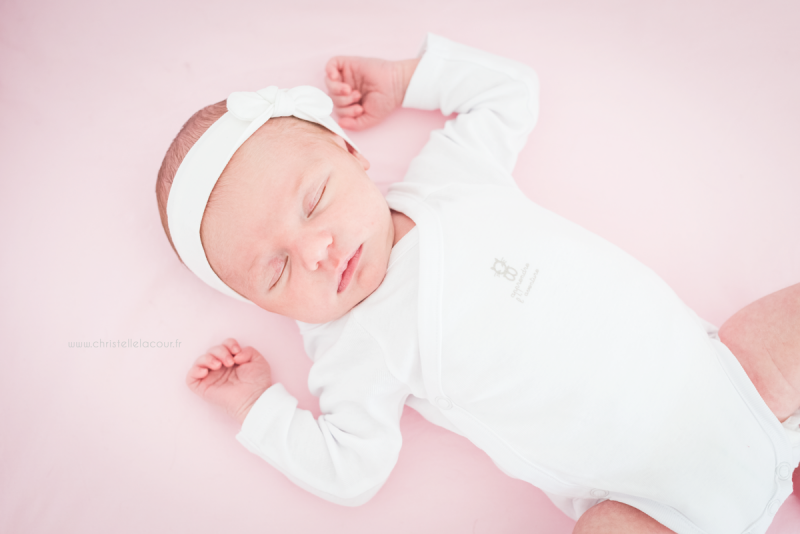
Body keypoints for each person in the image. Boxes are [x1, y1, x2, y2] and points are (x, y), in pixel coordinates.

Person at [155, 33, 800, 534]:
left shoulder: (449, 177)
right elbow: (351, 471)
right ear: (258, 303)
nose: (317, 251)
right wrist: (257, 406)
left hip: (740, 383)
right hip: (647, 503)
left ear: (350, 154)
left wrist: (406, 79)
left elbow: (510, 91)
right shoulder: (352, 347)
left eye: (315, 200)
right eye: (278, 270)